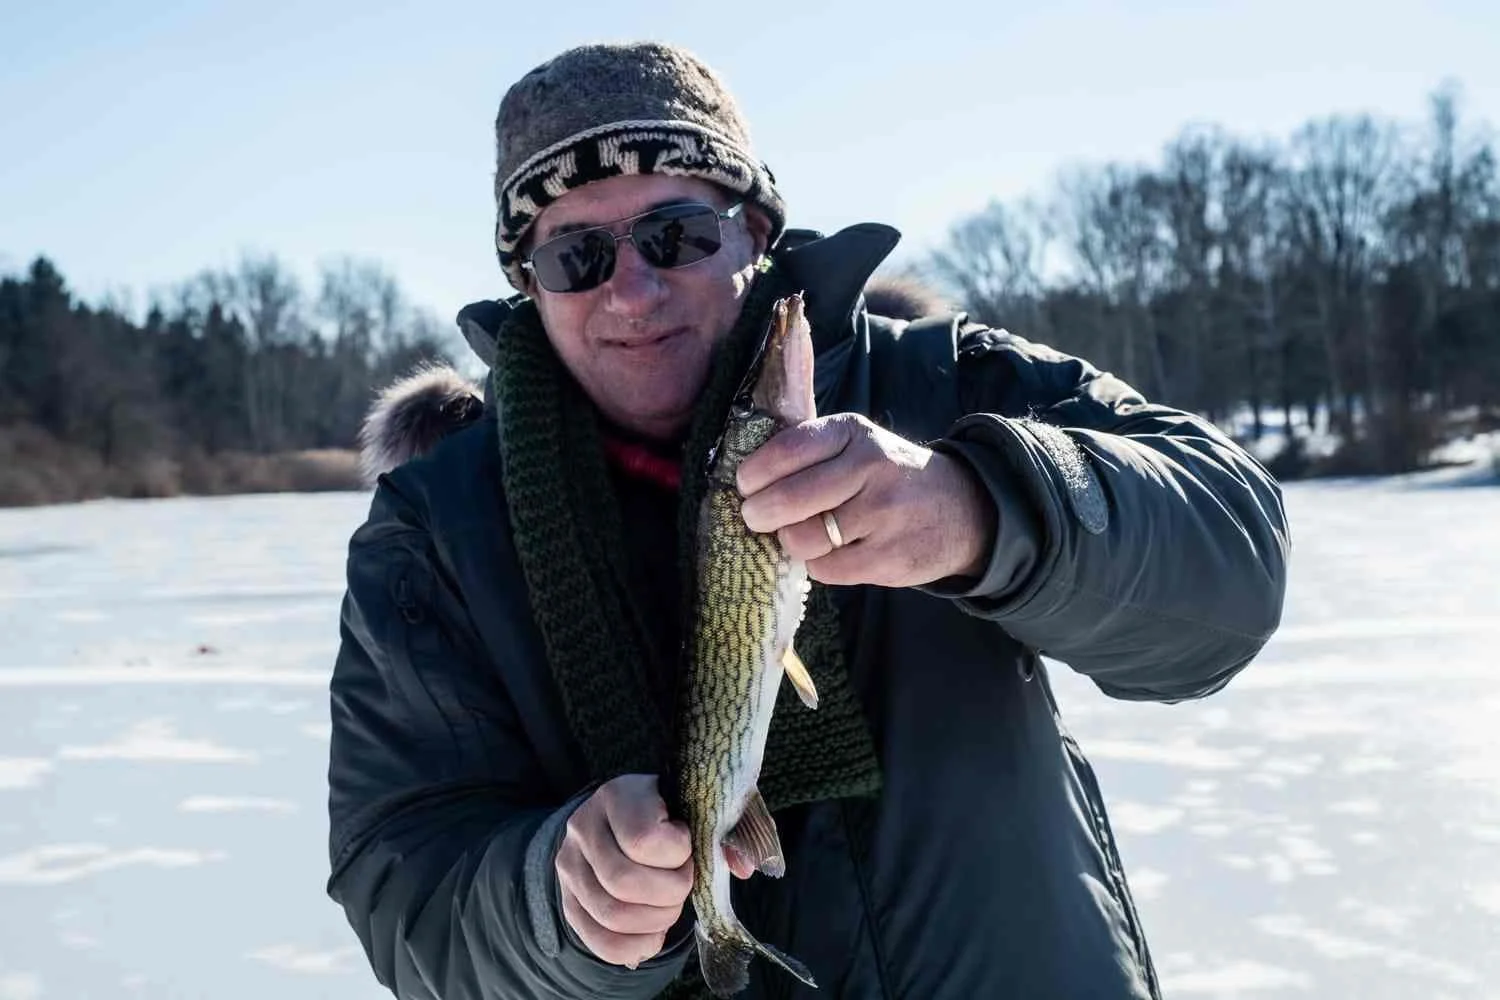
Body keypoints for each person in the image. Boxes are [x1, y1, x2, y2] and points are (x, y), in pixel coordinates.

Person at [326, 41, 1289, 1000]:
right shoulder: (436, 531)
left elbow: (1235, 568)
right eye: (577, 255)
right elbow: (401, 878)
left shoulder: (938, 385)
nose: (632, 289)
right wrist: (551, 901)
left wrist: (986, 511)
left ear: (754, 229)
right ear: (531, 285)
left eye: (676, 234)